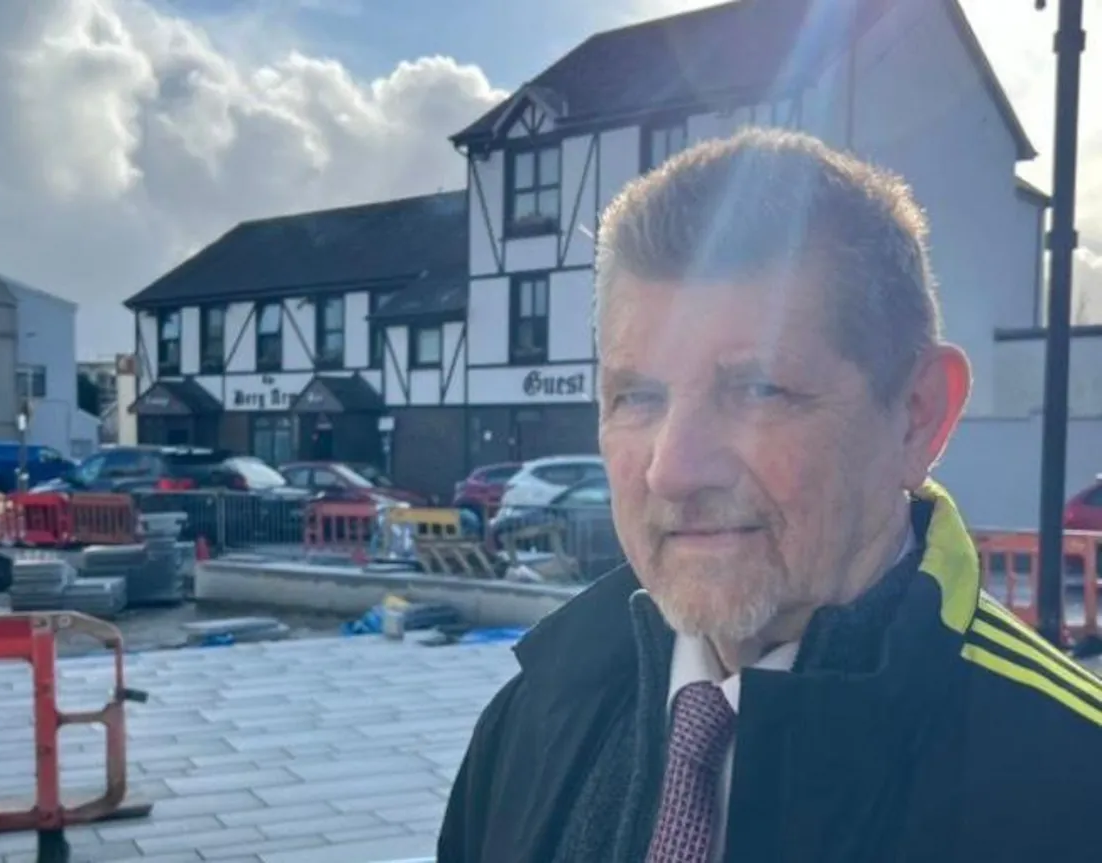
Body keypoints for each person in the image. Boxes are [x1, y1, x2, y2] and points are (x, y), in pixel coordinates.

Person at [438, 128, 1102, 862]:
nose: (672, 469)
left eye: (757, 388)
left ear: (917, 415)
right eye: (637, 396)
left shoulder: (1073, 785)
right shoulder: (531, 718)